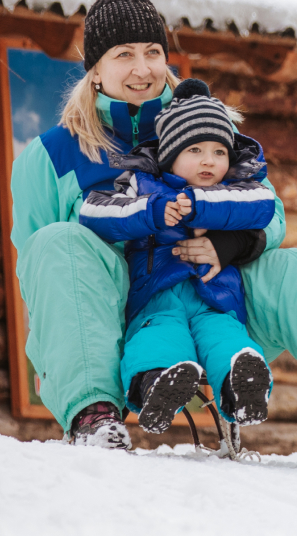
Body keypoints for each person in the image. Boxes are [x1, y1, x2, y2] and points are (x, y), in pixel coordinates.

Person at [11, 0, 297, 476]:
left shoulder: (206, 124)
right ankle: (95, 418)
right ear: (95, 69)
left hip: (219, 299)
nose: (143, 69)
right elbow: (37, 267)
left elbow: (271, 212)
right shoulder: (51, 157)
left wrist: (232, 244)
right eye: (124, 55)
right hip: (114, 321)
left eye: (153, 53)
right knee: (57, 242)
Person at [78, 79, 278, 433]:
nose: (209, 161)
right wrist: (152, 212)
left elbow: (261, 206)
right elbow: (94, 212)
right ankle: (157, 384)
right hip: (157, 296)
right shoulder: (143, 186)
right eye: (196, 150)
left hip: (215, 297)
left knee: (227, 339)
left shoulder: (234, 189)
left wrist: (200, 207)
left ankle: (242, 384)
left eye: (219, 152)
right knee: (159, 337)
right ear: (171, 154)